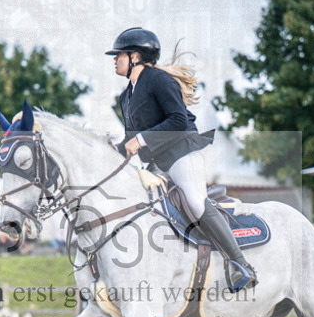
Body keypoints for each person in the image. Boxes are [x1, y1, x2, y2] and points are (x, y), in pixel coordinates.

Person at [106, 27, 256, 291]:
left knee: (196, 202)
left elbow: (176, 120)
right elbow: (131, 142)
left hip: (182, 152)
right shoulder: (125, 97)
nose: (114, 59)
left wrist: (139, 140)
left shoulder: (159, 80)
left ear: (135, 57)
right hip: (156, 165)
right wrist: (113, 150)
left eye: (119, 54)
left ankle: (241, 264)